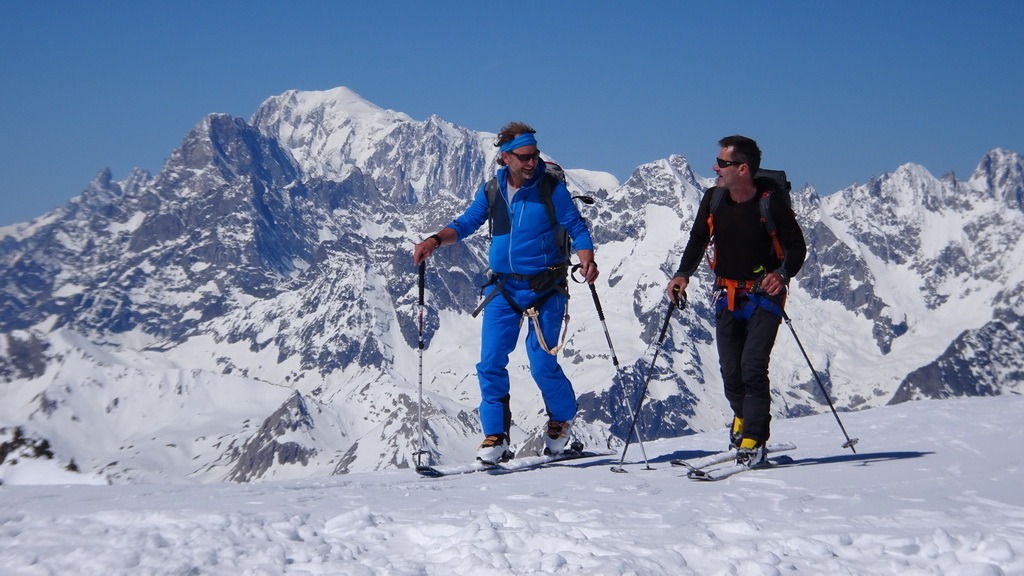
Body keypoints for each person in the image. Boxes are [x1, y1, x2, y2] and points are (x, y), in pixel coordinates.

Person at [413, 122, 599, 464]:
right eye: (525, 157)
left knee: (542, 362)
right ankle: (495, 436)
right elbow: (467, 223)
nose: (532, 163)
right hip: (503, 287)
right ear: (505, 158)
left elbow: (575, 226)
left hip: (546, 287)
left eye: (535, 156)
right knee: (491, 362)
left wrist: (587, 258)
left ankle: (561, 420)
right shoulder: (492, 191)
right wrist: (435, 240)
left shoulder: (550, 188)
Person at [665, 135, 806, 468]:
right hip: (725, 294)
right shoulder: (714, 199)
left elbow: (797, 247)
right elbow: (699, 237)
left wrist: (782, 275)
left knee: (753, 367)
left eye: (722, 163)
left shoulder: (770, 204)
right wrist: (682, 274)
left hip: (764, 297)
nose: (715, 168)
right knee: (731, 372)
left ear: (743, 169)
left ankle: (754, 439)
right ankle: (742, 417)